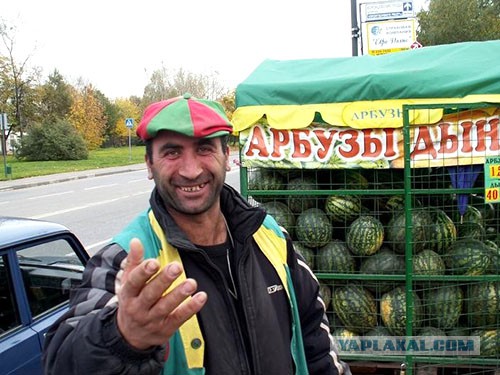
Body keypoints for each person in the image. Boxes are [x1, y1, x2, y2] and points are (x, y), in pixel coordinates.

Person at [42, 93, 350, 375]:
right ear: (149, 163)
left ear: (226, 156)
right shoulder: (124, 260)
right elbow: (61, 361)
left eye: (204, 148)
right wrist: (120, 337)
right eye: (172, 152)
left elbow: (315, 342)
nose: (190, 170)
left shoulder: (272, 237)